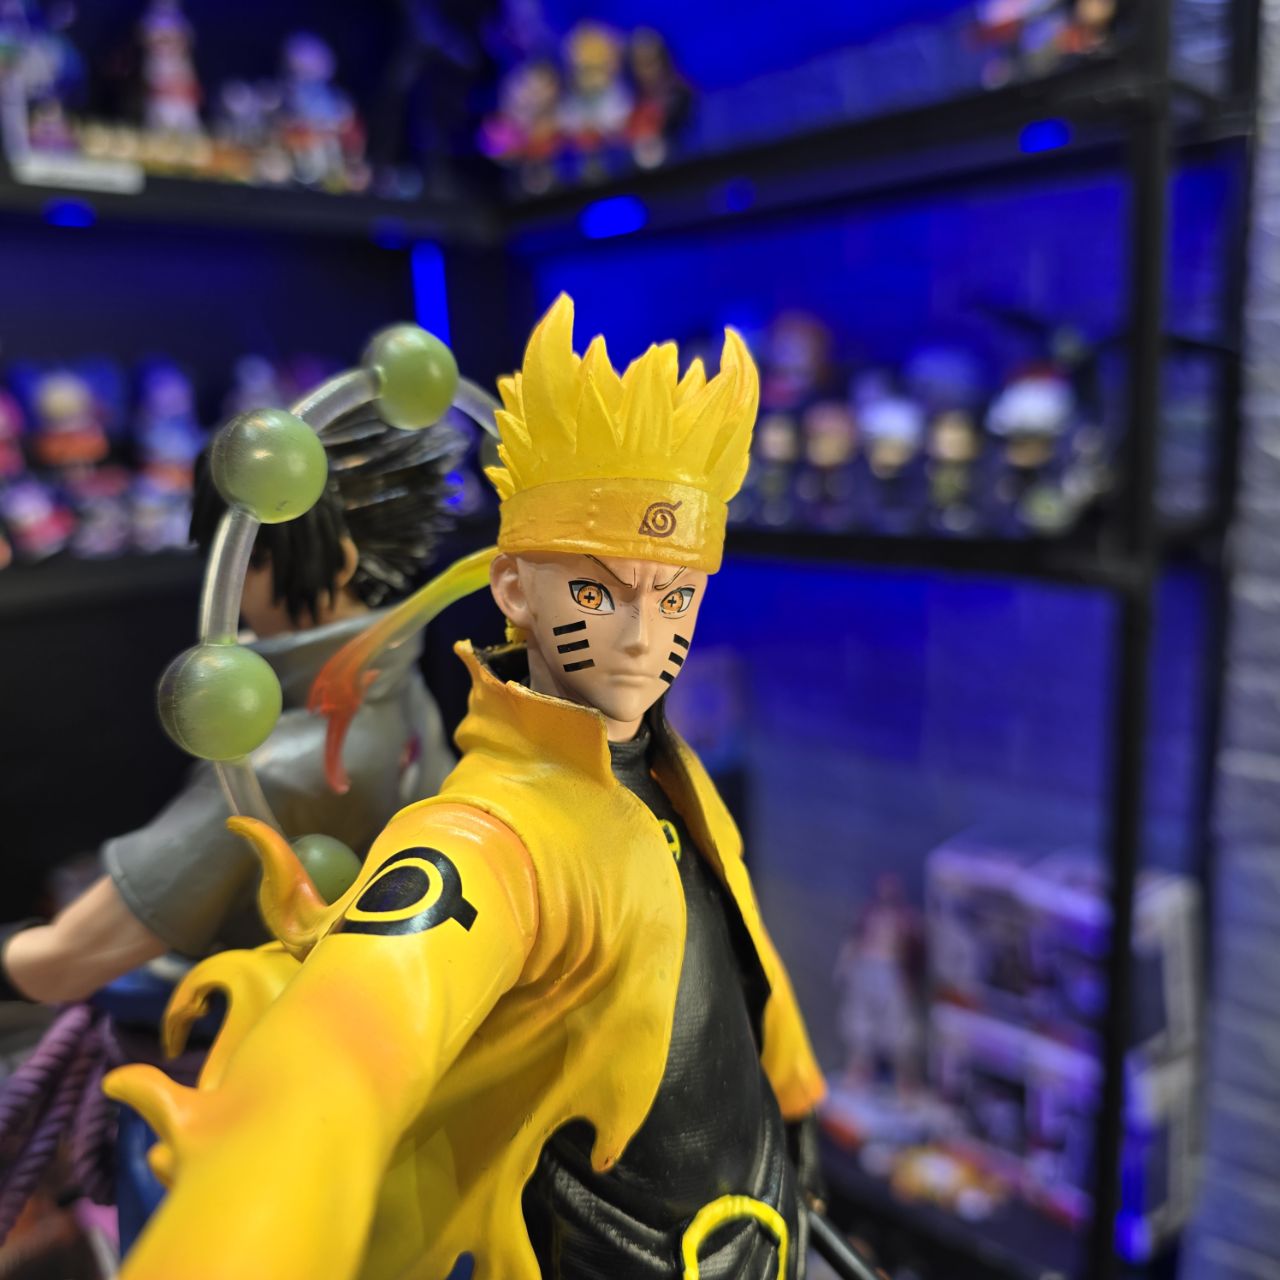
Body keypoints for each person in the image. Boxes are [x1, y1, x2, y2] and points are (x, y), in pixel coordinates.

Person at [106, 295, 827, 1280]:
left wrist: (795, 1105)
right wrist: (249, 1214)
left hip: (771, 1226)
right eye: (596, 591)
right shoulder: (487, 837)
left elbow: (748, 965)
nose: (641, 636)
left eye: (676, 595)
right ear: (513, 587)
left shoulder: (673, 771)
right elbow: (345, 1051)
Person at [0, 405, 459, 1004]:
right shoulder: (401, 685)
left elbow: (59, 964)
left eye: (250, 561)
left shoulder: (276, 769)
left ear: (340, 561)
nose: (230, 586)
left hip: (255, 1020)